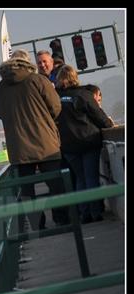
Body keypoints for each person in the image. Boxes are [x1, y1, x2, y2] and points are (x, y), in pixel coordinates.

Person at [0, 49, 68, 229]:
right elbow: (56, 107)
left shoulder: (2, 86)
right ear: (28, 62)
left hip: (18, 148)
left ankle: (38, 226)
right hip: (46, 145)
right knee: (56, 185)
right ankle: (62, 219)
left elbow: (0, 113)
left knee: (27, 191)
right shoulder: (38, 80)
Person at [55, 65, 115, 224]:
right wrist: (109, 123)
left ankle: (84, 213)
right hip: (88, 141)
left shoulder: (54, 98)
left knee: (80, 179)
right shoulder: (83, 95)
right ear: (74, 77)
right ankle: (95, 212)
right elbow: (100, 118)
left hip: (68, 146)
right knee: (91, 177)